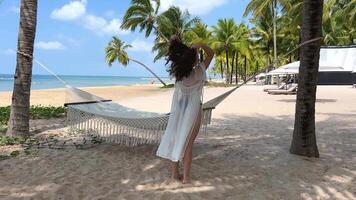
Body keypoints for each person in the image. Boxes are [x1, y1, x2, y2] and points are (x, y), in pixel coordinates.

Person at [156, 36, 214, 184]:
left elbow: (181, 60)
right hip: (194, 112)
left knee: (176, 140)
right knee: (188, 144)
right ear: (194, 61)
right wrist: (201, 44)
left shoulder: (178, 75)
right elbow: (211, 53)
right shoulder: (200, 71)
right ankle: (186, 178)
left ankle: (175, 174)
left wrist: (189, 51)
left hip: (179, 111)